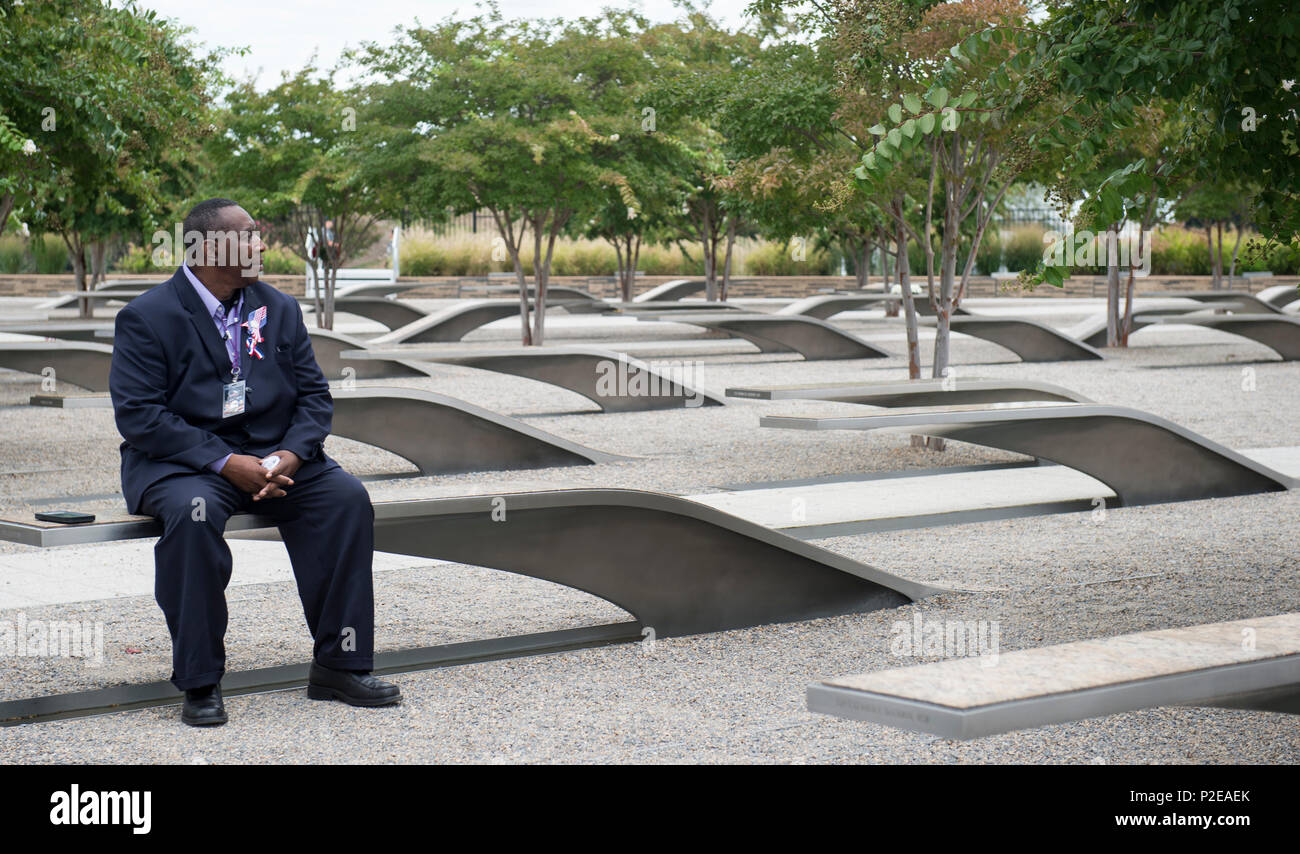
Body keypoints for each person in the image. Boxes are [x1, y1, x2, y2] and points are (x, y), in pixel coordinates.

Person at [108, 198, 400, 726]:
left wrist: (289, 455)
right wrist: (224, 462)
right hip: (184, 465)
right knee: (194, 514)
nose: (261, 244)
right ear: (205, 248)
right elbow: (140, 417)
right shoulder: (147, 317)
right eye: (248, 235)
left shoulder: (278, 308)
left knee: (346, 499)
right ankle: (200, 681)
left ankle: (338, 664)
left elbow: (314, 398)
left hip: (275, 457)